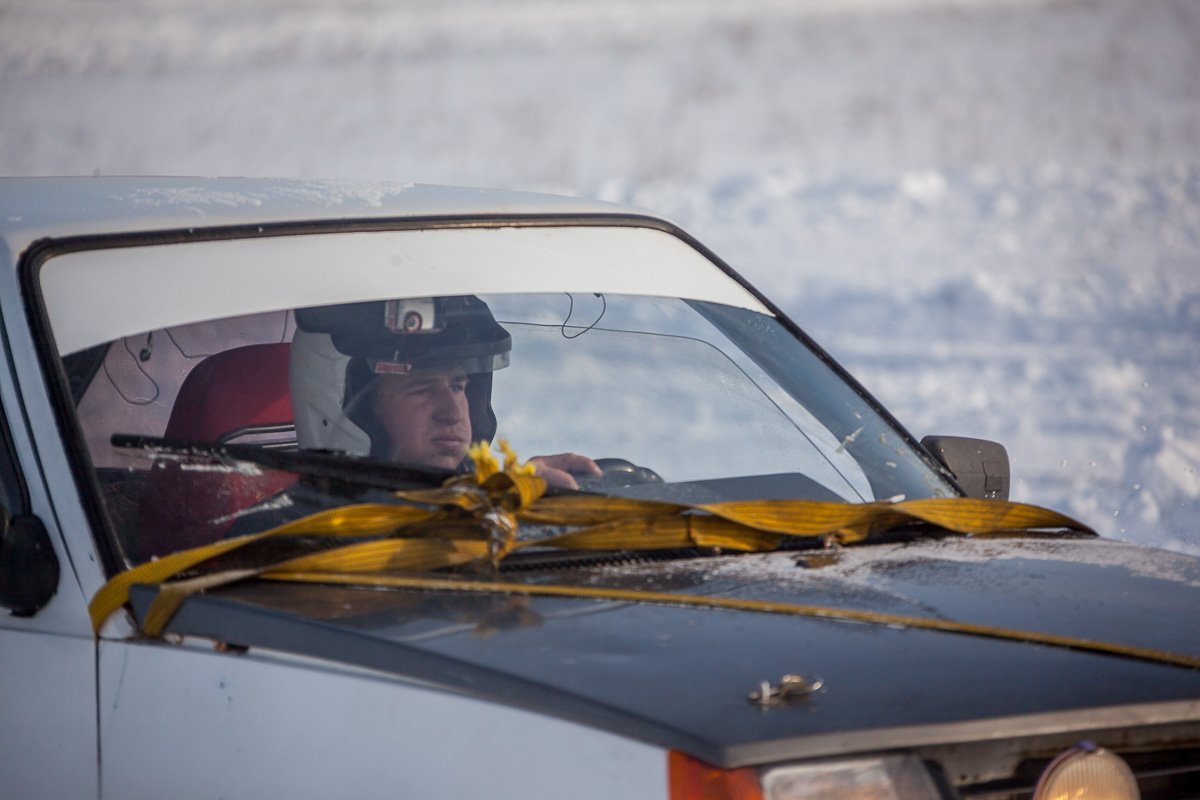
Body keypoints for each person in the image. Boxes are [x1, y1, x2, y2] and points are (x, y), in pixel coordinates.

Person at [290, 295, 600, 489]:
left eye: (458, 387)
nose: (452, 413)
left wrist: (513, 494)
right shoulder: (292, 538)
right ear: (350, 405)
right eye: (423, 389)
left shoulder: (480, 503)